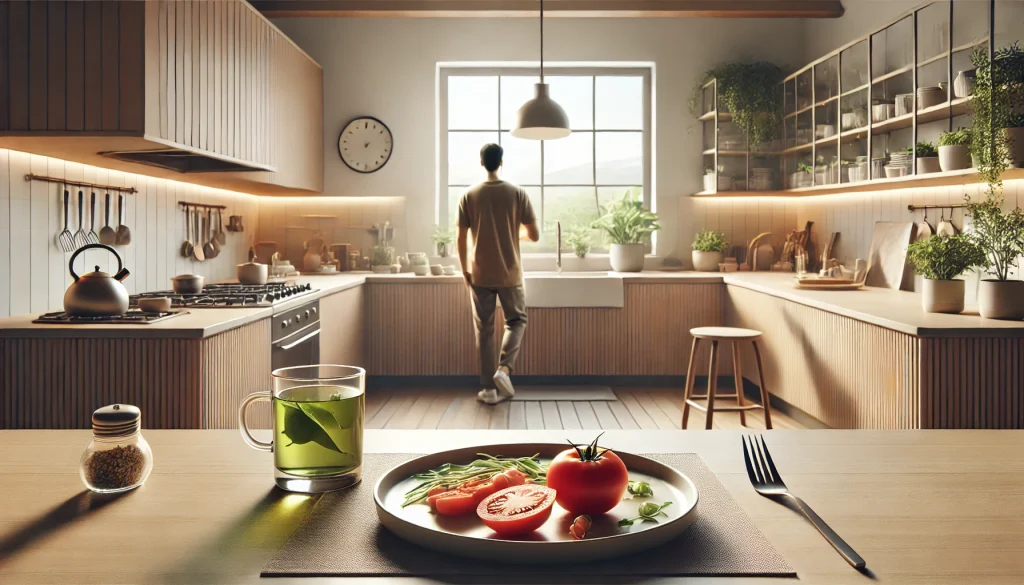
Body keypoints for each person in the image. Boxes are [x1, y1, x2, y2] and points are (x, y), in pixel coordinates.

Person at [457, 143, 541, 405]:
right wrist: (511, 233)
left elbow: (460, 238)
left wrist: (465, 271)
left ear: (482, 163)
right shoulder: (518, 194)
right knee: (516, 321)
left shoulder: (469, 195)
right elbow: (535, 235)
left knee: (484, 330)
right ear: (501, 162)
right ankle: (504, 369)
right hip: (510, 273)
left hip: (479, 272)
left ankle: (488, 390)